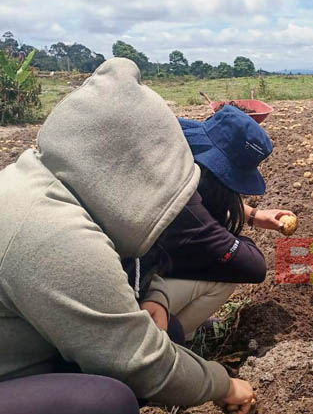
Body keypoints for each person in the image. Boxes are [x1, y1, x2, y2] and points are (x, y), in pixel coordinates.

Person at [0, 58, 255, 414]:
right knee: (105, 411)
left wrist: (153, 294)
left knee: (161, 332)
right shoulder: (53, 235)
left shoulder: (49, 184)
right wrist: (222, 384)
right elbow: (138, 361)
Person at [123, 106, 295, 342]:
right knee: (224, 278)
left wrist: (254, 215)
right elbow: (254, 268)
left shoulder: (168, 169)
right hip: (124, 299)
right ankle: (164, 343)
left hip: (125, 268)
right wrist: (236, 239)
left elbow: (200, 201)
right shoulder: (189, 211)